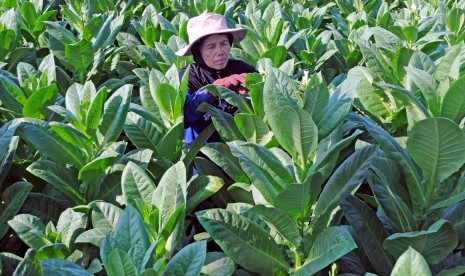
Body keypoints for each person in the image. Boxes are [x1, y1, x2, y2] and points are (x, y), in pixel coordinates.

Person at [176, 13, 257, 143]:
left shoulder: (241, 68)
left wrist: (253, 88)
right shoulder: (188, 75)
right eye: (211, 47)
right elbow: (184, 116)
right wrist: (211, 91)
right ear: (198, 52)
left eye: (224, 43)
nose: (220, 51)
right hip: (204, 153)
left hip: (243, 145)